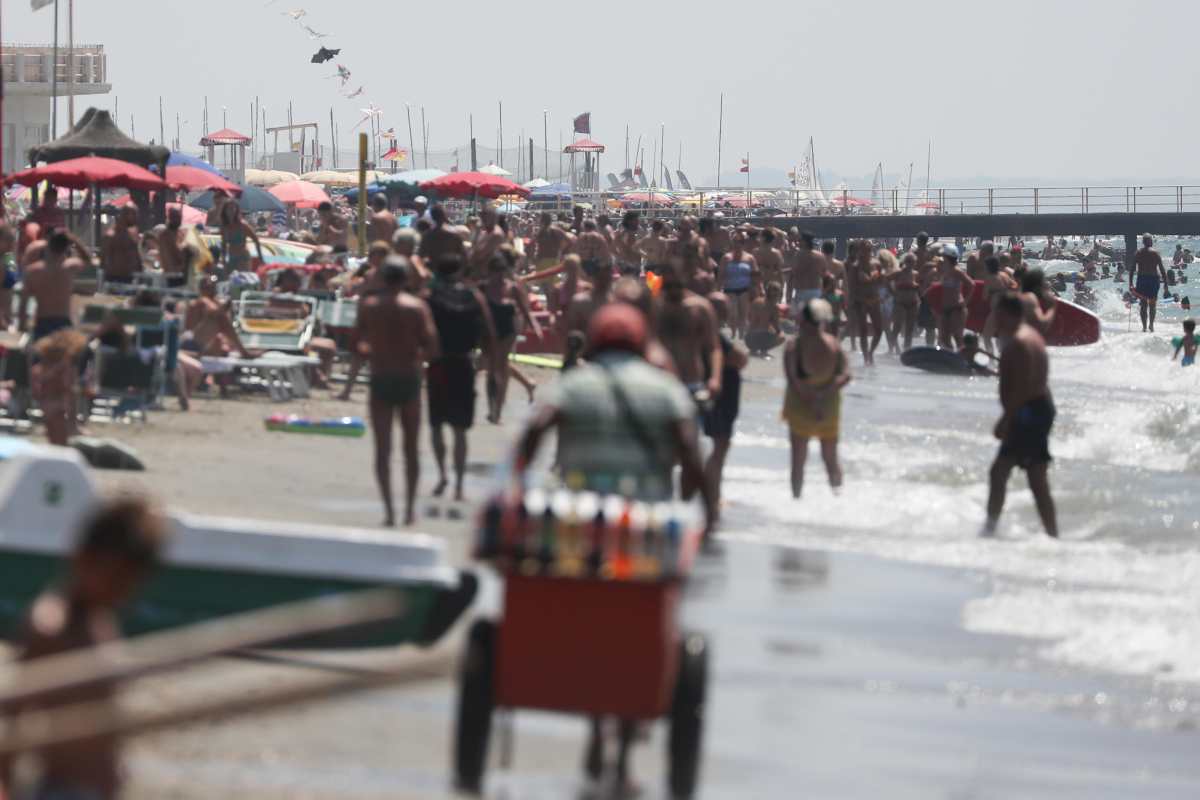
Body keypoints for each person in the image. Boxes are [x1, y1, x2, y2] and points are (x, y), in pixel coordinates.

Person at [511, 302, 716, 795]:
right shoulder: (664, 390)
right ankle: (621, 747)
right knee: (640, 630)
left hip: (577, 527)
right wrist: (703, 510)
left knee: (586, 624)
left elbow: (533, 435)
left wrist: (518, 490)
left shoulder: (574, 384)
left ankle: (596, 725)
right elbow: (691, 455)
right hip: (641, 531)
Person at [1, 497, 167, 800]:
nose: (122, 592)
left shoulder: (98, 617)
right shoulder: (51, 627)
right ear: (83, 558)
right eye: (115, 578)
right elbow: (13, 717)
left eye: (130, 583)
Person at [354, 257, 440, 527]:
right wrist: (416, 358)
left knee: (383, 449)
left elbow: (357, 344)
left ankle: (390, 510)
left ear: (382, 279)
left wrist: (376, 351)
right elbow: (433, 347)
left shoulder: (369, 307)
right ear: (404, 279)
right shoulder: (416, 307)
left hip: (381, 375)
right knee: (411, 448)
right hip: (408, 376)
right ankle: (410, 509)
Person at [985, 293, 1058, 538]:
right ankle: (1052, 535)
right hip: (1039, 409)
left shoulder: (1017, 343)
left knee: (1004, 472)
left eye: (997, 313)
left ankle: (989, 530)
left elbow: (1024, 385)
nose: (994, 317)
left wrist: (1007, 418)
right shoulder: (1032, 336)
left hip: (1028, 411)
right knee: (1029, 476)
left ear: (1009, 315)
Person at [427, 255, 496, 503]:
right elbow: (489, 331)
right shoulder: (473, 296)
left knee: (436, 425)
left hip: (438, 363)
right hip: (464, 363)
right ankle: (458, 484)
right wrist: (486, 359)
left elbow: (424, 331)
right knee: (460, 429)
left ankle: (443, 474)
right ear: (459, 272)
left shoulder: (431, 298)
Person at [783, 298, 850, 499]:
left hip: (801, 403)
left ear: (805, 321)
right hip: (828, 404)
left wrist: (813, 399)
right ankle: (838, 499)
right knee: (830, 457)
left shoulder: (794, 346)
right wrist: (824, 394)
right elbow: (845, 375)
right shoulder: (834, 345)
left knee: (798, 459)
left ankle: (796, 501)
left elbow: (793, 379)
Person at [703, 293, 748, 518]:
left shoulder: (709, 335)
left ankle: (714, 493)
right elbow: (739, 359)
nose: (727, 311)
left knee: (720, 447)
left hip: (723, 395)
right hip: (721, 395)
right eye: (722, 308)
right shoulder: (712, 336)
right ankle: (711, 496)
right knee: (720, 448)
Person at [484, 252, 541, 423]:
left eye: (502, 270)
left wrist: (534, 326)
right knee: (490, 371)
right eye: (496, 270)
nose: (499, 274)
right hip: (489, 331)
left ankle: (498, 410)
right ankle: (492, 406)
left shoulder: (512, 287)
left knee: (500, 367)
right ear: (490, 271)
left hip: (507, 329)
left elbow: (524, 309)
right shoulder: (484, 286)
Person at [20, 229, 86, 341]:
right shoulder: (69, 267)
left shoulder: (33, 271)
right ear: (66, 248)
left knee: (39, 357)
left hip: (42, 322)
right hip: (63, 322)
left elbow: (23, 304)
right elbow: (87, 259)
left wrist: (22, 326)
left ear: (48, 246)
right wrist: (74, 239)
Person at [30, 328, 88, 446]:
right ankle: (70, 430)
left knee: (54, 437)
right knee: (60, 441)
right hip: (59, 403)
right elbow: (67, 387)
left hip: (48, 402)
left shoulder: (43, 367)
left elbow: (38, 387)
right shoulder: (64, 366)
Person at [716, 231, 757, 339]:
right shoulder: (726, 258)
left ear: (744, 243)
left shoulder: (749, 258)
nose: (738, 244)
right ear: (732, 243)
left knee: (743, 314)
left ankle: (741, 335)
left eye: (740, 242)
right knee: (732, 314)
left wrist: (758, 288)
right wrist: (717, 289)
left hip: (745, 289)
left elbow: (755, 274)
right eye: (735, 241)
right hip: (730, 288)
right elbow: (720, 275)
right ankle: (733, 333)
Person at [935, 244, 973, 351]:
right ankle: (949, 359)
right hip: (945, 308)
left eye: (944, 256)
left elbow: (971, 284)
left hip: (957, 308)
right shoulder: (943, 270)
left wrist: (965, 302)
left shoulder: (957, 271)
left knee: (957, 336)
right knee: (944, 337)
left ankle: (964, 359)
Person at [1131, 234, 1169, 332]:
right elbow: (1162, 269)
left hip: (1142, 279)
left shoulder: (1138, 253)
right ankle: (1151, 325)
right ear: (1151, 241)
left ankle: (1144, 327)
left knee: (1143, 304)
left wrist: (1130, 284)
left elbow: (1132, 269)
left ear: (1143, 242)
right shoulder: (1155, 253)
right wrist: (1166, 285)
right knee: (1152, 304)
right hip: (1153, 279)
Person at [219, 200, 264, 274]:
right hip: (231, 257)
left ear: (236, 210)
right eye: (229, 208)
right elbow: (223, 244)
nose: (231, 211)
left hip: (243, 257)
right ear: (225, 211)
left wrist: (260, 258)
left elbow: (256, 240)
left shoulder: (243, 226)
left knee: (242, 280)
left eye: (233, 208)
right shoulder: (224, 227)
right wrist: (223, 259)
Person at [101, 205, 143, 283]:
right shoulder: (111, 235)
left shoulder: (133, 232)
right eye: (134, 214)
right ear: (125, 215)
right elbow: (103, 259)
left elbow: (137, 257)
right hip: (115, 278)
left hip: (131, 277)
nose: (137, 217)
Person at [888, 252, 921, 351]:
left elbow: (921, 286)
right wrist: (892, 292)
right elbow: (886, 280)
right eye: (909, 261)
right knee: (897, 326)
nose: (911, 264)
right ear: (905, 262)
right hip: (900, 302)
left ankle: (907, 348)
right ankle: (891, 347)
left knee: (910, 328)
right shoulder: (898, 273)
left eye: (913, 262)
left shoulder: (915, 274)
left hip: (913, 303)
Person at [157, 206, 193, 288]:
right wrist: (186, 248)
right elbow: (171, 256)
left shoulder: (180, 233)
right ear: (169, 218)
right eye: (175, 217)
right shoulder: (164, 235)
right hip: (172, 277)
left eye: (179, 217)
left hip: (185, 276)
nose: (178, 219)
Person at [745, 282, 784, 357]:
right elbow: (777, 327)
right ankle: (764, 350)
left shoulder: (756, 301)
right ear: (779, 294)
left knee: (764, 327)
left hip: (748, 338)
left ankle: (753, 350)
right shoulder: (774, 307)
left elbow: (749, 317)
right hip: (761, 338)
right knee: (781, 336)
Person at [789, 230, 826, 308]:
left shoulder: (799, 255)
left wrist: (788, 295)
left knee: (800, 318)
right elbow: (824, 275)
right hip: (816, 291)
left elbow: (793, 274)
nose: (798, 243)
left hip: (801, 291)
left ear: (805, 242)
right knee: (815, 318)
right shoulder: (820, 256)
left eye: (800, 241)